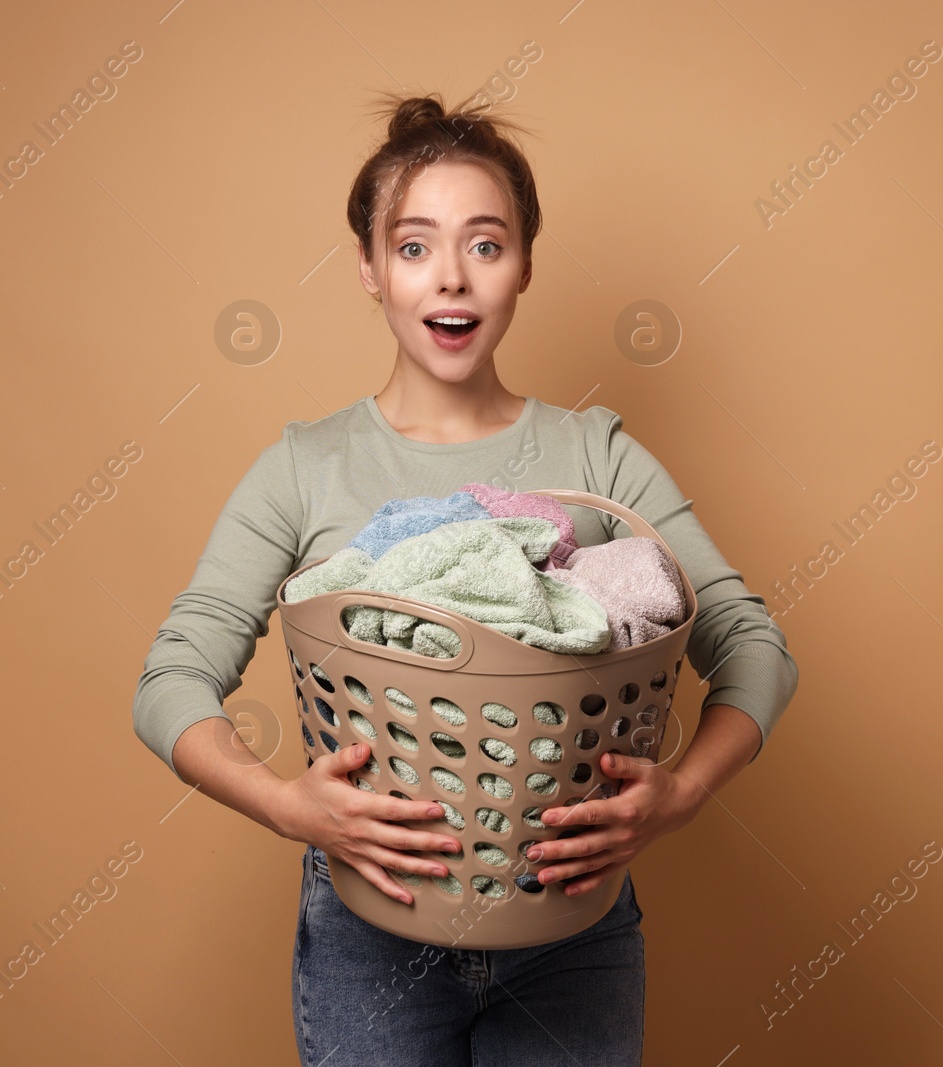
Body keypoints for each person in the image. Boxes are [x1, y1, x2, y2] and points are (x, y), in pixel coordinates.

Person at [132, 91, 799, 1067]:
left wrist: (682, 792)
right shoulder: (305, 467)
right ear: (366, 267)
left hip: (573, 929)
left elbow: (752, 645)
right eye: (413, 247)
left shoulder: (595, 456)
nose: (450, 277)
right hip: (369, 928)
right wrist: (286, 805)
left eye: (484, 244)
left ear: (525, 262)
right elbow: (171, 677)